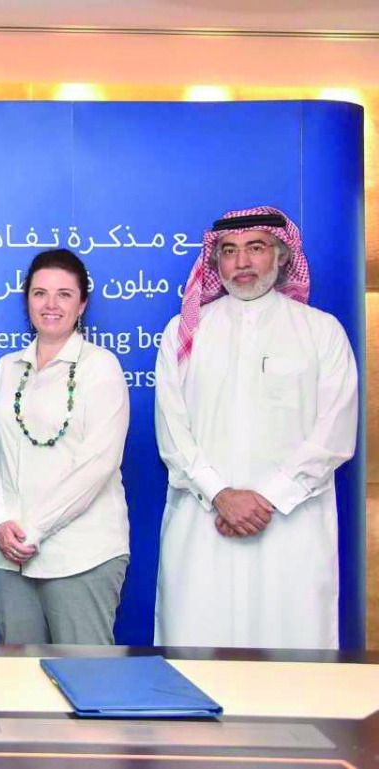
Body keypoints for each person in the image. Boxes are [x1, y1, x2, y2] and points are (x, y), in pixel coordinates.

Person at [154, 206, 357, 650]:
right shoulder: (185, 332)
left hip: (290, 528)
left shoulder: (322, 332)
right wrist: (221, 495)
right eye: (229, 251)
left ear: (282, 256)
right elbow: (172, 431)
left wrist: (267, 499)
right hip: (203, 525)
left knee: (293, 664)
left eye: (255, 248)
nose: (241, 263)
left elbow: (334, 433)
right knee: (196, 662)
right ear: (215, 261)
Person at [0, 249, 130, 644]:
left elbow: (98, 465)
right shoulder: (7, 368)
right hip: (8, 559)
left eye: (64, 294)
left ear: (82, 304)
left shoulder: (100, 366)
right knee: (18, 691)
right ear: (27, 301)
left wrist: (34, 530)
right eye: (40, 293)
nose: (51, 304)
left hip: (82, 556)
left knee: (89, 682)